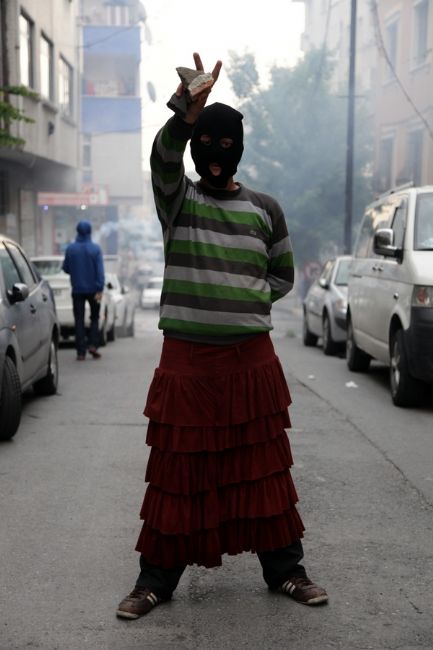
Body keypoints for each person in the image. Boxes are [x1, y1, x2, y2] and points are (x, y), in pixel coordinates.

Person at [116, 53, 328, 620]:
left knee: (263, 471)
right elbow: (162, 158)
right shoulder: (179, 200)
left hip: (250, 363)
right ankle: (155, 579)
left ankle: (287, 570)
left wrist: (246, 301)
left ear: (237, 146)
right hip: (187, 364)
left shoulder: (266, 210)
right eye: (203, 141)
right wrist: (188, 113)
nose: (212, 151)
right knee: (177, 475)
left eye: (221, 140)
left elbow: (282, 274)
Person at [62, 219, 105, 361]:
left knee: (79, 320)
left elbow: (66, 268)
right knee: (94, 318)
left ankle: (81, 352)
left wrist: (77, 272)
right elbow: (100, 271)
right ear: (90, 232)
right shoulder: (96, 249)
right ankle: (93, 345)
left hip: (77, 290)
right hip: (94, 290)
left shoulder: (70, 249)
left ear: (77, 231)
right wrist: (100, 288)